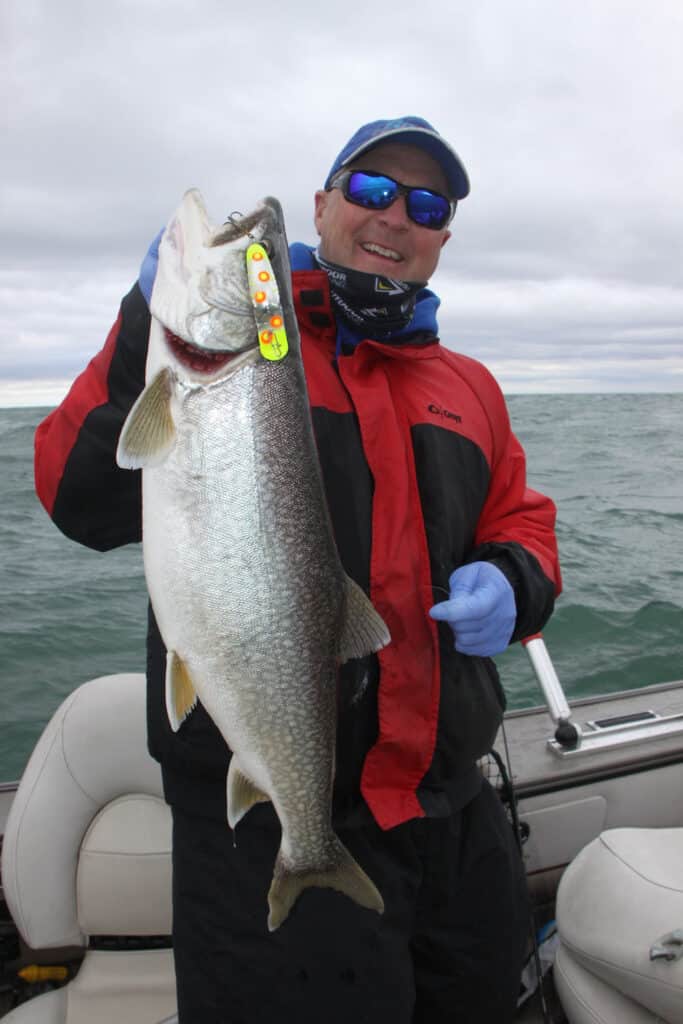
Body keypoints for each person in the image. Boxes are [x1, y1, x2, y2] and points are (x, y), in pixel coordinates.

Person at [34, 116, 561, 1023]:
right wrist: (139, 329)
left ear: (442, 237)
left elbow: (520, 519)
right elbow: (76, 499)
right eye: (371, 190)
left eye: (426, 206)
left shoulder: (468, 385)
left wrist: (516, 581)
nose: (394, 216)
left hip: (450, 808)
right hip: (261, 814)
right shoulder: (243, 361)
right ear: (323, 205)